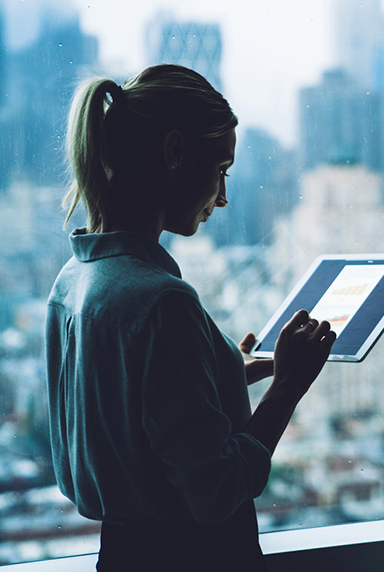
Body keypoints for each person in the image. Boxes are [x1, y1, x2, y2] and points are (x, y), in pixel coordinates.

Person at [45, 64, 336, 571]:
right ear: (175, 152)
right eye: (221, 169)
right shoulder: (163, 302)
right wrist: (288, 384)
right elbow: (218, 490)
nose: (222, 197)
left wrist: (222, 372)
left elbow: (130, 413)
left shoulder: (72, 282)